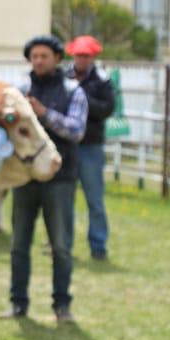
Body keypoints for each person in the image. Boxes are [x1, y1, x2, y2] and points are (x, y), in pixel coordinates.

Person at [2, 34, 88, 324]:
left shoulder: (73, 91)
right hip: (25, 178)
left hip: (60, 179)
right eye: (34, 56)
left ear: (58, 59)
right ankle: (18, 304)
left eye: (44, 56)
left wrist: (43, 114)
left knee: (61, 247)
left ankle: (62, 306)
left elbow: (76, 131)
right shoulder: (20, 91)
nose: (38, 61)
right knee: (18, 245)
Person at [66, 35, 115, 261]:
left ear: (92, 57)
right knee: (64, 199)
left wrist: (80, 96)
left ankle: (98, 245)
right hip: (67, 146)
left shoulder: (102, 80)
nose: (81, 59)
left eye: (85, 56)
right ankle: (62, 244)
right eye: (78, 55)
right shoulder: (63, 77)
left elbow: (107, 109)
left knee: (94, 200)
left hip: (91, 147)